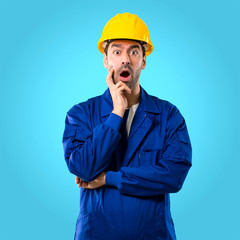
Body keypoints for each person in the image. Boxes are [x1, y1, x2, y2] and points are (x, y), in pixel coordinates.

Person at [62, 12, 192, 240]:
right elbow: (82, 168)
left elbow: (174, 175)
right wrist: (117, 112)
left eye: (134, 51)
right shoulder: (81, 114)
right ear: (106, 60)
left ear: (143, 60)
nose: (125, 59)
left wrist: (108, 179)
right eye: (117, 51)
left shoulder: (168, 115)